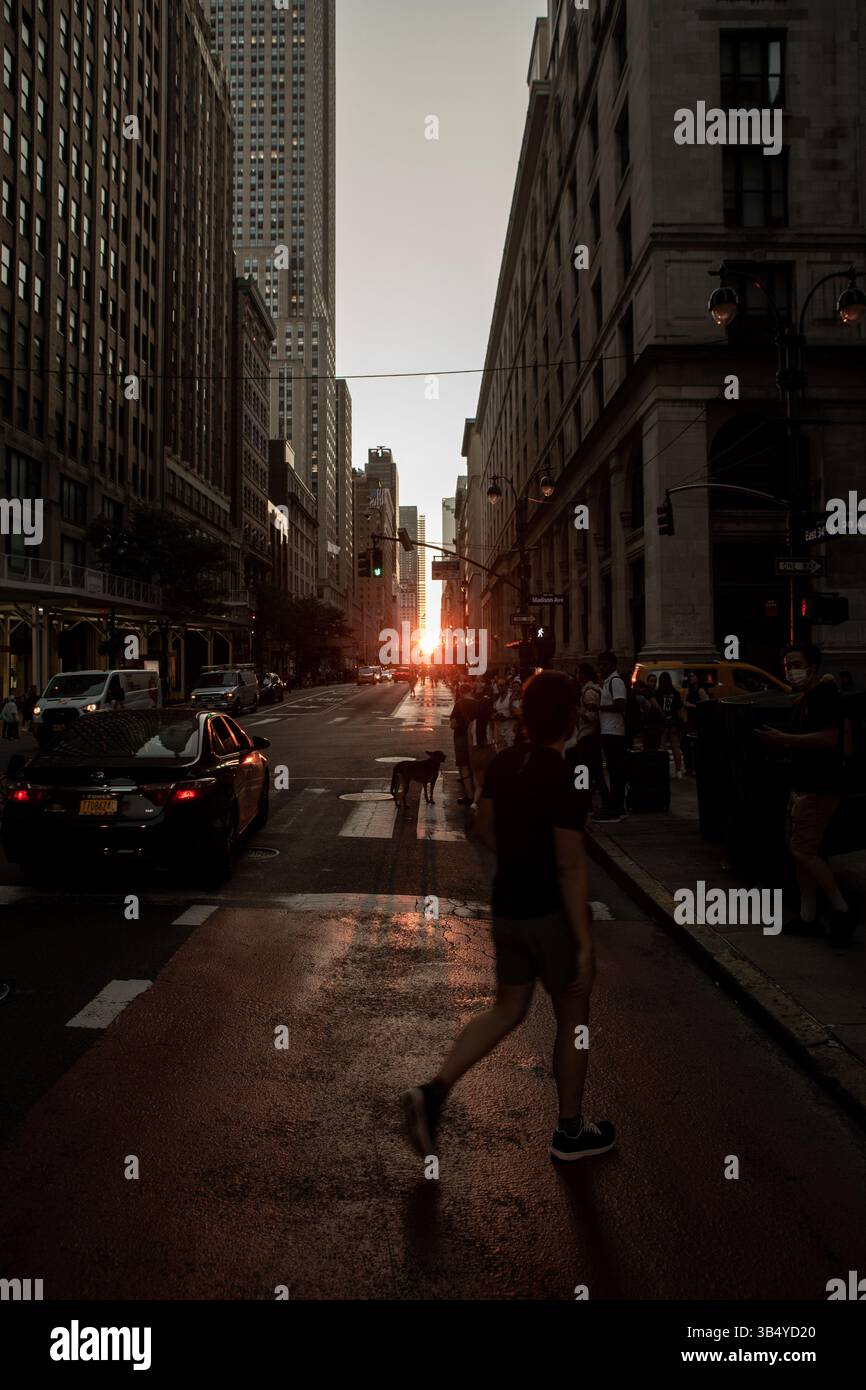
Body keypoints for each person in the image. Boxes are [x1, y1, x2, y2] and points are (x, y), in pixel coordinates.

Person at [402, 670, 615, 1162]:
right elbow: (568, 861)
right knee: (573, 1016)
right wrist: (582, 942)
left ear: (522, 714)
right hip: (551, 916)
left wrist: (516, 857)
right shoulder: (567, 775)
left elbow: (481, 827)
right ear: (568, 718)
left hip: (508, 907)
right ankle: (569, 1132)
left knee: (506, 1009)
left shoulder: (502, 763)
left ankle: (433, 1093)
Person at [757, 642, 854, 946]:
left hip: (820, 786)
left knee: (804, 850)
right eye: (787, 665)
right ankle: (808, 914)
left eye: (796, 663)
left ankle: (841, 909)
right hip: (803, 784)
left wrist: (784, 738)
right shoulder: (806, 698)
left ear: (813, 666)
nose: (791, 670)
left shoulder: (825, 695)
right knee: (800, 850)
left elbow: (829, 738)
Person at [593, 651, 627, 821]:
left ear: (613, 665)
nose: (601, 668)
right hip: (608, 731)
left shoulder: (616, 682)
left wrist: (600, 708)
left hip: (615, 732)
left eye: (604, 665)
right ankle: (614, 806)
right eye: (600, 665)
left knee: (616, 771)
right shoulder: (607, 682)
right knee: (613, 771)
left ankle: (617, 808)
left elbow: (620, 705)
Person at [565, 663, 605, 808]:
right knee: (593, 770)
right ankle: (593, 799)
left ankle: (584, 800)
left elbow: (592, 717)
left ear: (583, 674)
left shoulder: (589, 692)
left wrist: (578, 712)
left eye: (578, 673)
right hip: (588, 735)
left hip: (589, 735)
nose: (576, 676)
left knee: (583, 769)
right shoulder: (590, 689)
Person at [450, 682, 477, 806]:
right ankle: (477, 794)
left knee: (463, 764)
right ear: (471, 690)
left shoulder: (459, 704)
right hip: (476, 737)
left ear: (460, 692)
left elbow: (453, 724)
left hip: (461, 736)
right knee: (474, 765)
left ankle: (469, 796)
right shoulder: (479, 704)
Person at [657, 671, 685, 778]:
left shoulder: (658, 692)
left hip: (662, 723)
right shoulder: (675, 692)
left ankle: (661, 770)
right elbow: (679, 709)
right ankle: (678, 770)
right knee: (676, 747)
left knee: (661, 748)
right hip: (673, 722)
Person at [682, 671, 708, 774]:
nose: (691, 678)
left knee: (696, 745)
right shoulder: (689, 689)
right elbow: (684, 702)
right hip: (689, 720)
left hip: (697, 720)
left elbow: (705, 706)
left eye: (693, 676)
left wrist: (691, 705)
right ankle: (689, 767)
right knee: (686, 744)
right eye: (690, 676)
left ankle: (696, 767)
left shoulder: (701, 690)